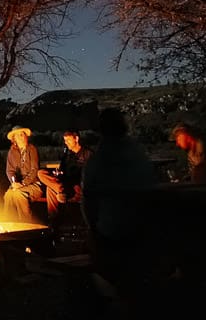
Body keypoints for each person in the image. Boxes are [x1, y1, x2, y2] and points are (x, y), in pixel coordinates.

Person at [81, 108, 157, 298]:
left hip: (114, 230)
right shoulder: (140, 154)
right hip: (146, 226)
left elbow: (89, 199)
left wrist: (93, 229)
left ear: (101, 130)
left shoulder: (99, 160)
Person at [38, 130, 93, 226]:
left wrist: (77, 184)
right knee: (41, 173)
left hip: (77, 187)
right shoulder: (67, 154)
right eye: (65, 140)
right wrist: (58, 173)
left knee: (50, 189)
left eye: (68, 140)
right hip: (65, 185)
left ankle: (53, 221)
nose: (66, 143)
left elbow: (90, 175)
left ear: (76, 139)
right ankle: (60, 192)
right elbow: (62, 170)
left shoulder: (87, 154)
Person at [2, 125, 42, 222]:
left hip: (33, 184)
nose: (21, 137)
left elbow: (34, 170)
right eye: (18, 135)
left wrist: (23, 183)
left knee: (19, 194)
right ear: (14, 139)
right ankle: (8, 222)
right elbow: (9, 171)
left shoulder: (32, 149)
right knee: (9, 194)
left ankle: (26, 223)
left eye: (23, 134)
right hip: (18, 185)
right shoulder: (11, 152)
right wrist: (14, 182)